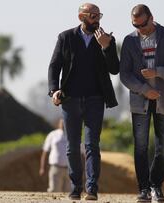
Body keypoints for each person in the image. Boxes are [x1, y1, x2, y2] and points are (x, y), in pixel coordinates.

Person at [47, 2, 119, 201]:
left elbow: (115, 69)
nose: (97, 19)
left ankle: (92, 188)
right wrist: (54, 90)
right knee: (72, 146)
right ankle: (76, 187)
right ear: (82, 17)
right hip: (70, 100)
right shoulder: (66, 37)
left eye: (99, 15)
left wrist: (106, 47)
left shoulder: (106, 39)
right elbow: (54, 66)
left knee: (92, 145)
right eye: (93, 15)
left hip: (95, 100)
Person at [119, 4, 164, 203]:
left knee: (162, 147)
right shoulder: (129, 41)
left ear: (151, 18)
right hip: (139, 102)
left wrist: (158, 72)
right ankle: (144, 189)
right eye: (135, 25)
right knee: (140, 146)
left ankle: (157, 186)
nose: (140, 29)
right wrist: (143, 89)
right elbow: (125, 74)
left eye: (143, 25)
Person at [39, 119, 69, 192]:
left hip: (69, 169)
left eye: (65, 122)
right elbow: (45, 151)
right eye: (61, 123)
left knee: (69, 193)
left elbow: (81, 152)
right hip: (56, 168)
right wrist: (42, 167)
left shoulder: (71, 135)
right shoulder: (53, 134)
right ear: (58, 124)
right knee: (54, 191)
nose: (63, 124)